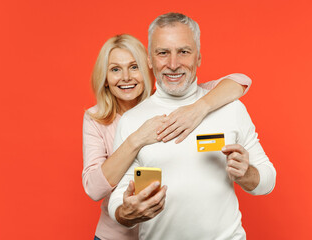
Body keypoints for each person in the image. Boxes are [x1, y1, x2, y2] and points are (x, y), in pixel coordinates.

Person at [108, 13, 276, 240]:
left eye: (184, 52)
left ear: (198, 57)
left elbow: (267, 180)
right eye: (163, 53)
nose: (173, 64)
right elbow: (119, 197)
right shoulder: (132, 121)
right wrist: (126, 212)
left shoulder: (230, 108)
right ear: (149, 59)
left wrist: (247, 174)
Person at [83, 34, 252, 240]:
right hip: (116, 236)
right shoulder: (96, 118)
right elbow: (94, 188)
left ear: (149, 68)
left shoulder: (174, 99)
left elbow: (239, 82)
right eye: (115, 69)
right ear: (106, 79)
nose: (126, 77)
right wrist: (137, 139)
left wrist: (199, 108)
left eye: (134, 67)